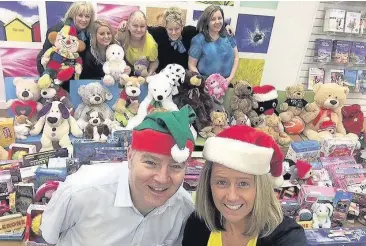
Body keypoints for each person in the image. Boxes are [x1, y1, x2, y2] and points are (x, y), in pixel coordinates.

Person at [40, 105, 197, 246]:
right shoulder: (80, 191)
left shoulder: (183, 208)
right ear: (130, 156)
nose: (162, 178)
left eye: (175, 166)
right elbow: (50, 236)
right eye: (150, 163)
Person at [182, 125, 307, 246]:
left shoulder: (287, 236)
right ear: (208, 184)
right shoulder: (197, 224)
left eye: (243, 184)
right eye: (221, 182)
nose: (231, 196)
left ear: (260, 188)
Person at [118, 7, 234, 73]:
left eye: (177, 29)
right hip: (162, 75)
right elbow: (140, 26)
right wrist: (125, 23)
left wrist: (226, 25)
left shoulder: (190, 32)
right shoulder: (159, 33)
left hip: (184, 76)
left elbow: (207, 25)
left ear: (182, 27)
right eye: (170, 29)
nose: (174, 32)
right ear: (165, 27)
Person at [36, 1, 94, 91]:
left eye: (87, 16)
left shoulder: (87, 35)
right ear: (72, 15)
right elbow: (43, 56)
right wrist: (48, 78)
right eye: (80, 15)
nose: (84, 19)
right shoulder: (59, 30)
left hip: (71, 78)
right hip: (53, 77)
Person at [188, 5, 239, 83]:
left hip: (227, 83)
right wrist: (203, 82)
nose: (217, 22)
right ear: (206, 21)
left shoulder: (228, 34)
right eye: (213, 19)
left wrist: (230, 78)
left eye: (220, 18)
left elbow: (236, 57)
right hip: (205, 86)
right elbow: (191, 65)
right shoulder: (198, 40)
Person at [116, 10, 159, 76]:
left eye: (142, 26)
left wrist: (149, 73)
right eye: (135, 26)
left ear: (146, 27)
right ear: (128, 26)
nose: (139, 29)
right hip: (125, 71)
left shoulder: (151, 44)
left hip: (143, 73)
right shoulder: (123, 35)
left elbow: (155, 61)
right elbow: (112, 47)